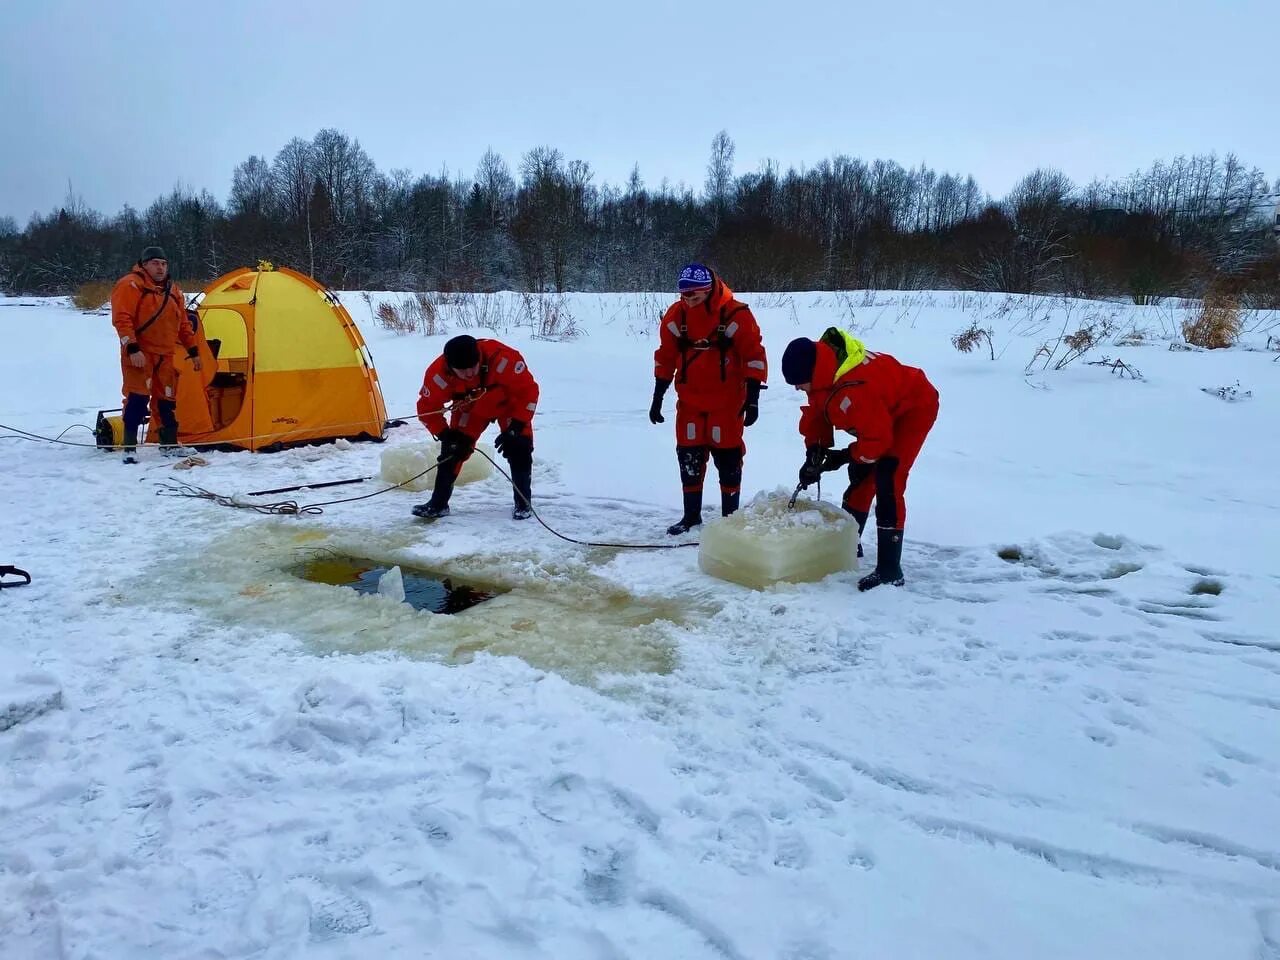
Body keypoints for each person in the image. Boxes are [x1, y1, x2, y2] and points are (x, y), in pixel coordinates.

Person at [781, 327, 939, 591]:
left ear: (812, 373)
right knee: (861, 477)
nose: (797, 388)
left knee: (888, 476)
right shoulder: (823, 371)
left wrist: (843, 456)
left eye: (799, 382)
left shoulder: (857, 387)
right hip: (879, 415)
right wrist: (814, 451)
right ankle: (846, 547)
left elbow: (876, 444)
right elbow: (817, 411)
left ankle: (890, 571)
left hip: (913, 408)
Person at [649, 263, 768, 535]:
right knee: (688, 457)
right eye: (684, 296)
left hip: (726, 405)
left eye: (695, 296)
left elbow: (754, 355)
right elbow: (665, 356)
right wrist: (658, 395)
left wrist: (752, 398)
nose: (689, 301)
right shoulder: (676, 317)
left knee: (728, 460)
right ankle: (691, 516)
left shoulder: (736, 315)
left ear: (709, 290)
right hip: (690, 403)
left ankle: (730, 520)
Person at [414, 334, 539, 521]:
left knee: (519, 447)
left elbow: (529, 391)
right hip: (470, 410)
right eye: (462, 370)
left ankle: (523, 505)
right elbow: (427, 409)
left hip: (509, 405)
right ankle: (438, 504)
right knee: (452, 451)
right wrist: (445, 434)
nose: (470, 373)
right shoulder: (438, 375)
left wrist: (517, 425)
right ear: (450, 366)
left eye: (473, 366)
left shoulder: (504, 358)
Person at [110, 246, 201, 462]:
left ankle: (168, 444)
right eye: (155, 263)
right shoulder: (130, 285)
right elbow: (122, 319)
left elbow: (183, 325)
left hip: (166, 355)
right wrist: (132, 348)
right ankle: (130, 448)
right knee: (137, 398)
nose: (160, 268)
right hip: (140, 354)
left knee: (166, 400)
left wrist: (194, 351)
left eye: (163, 263)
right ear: (144, 265)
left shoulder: (174, 291)